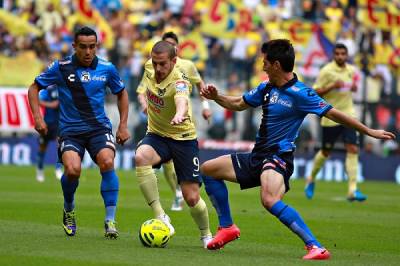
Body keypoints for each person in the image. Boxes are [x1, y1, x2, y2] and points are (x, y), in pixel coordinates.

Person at [200, 39, 395, 259]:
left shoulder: (301, 93)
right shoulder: (266, 87)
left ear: (276, 65)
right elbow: (238, 104)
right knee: (208, 170)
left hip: (278, 157)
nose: (262, 66)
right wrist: (216, 97)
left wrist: (368, 130)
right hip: (259, 155)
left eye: (265, 62)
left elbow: (333, 113)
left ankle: (315, 247)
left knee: (269, 199)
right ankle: (227, 227)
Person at [28, 26, 130, 239]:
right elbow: (34, 88)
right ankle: (69, 208)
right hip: (70, 131)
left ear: (97, 46)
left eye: (92, 47)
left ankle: (110, 220)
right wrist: (38, 118)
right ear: (74, 46)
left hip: (98, 129)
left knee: (107, 162)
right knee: (73, 170)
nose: (87, 52)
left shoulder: (107, 68)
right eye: (82, 47)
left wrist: (122, 125)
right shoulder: (60, 67)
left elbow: (121, 93)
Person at [135, 40, 213, 248]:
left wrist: (179, 114)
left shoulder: (180, 79)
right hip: (158, 134)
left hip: (183, 138)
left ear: (174, 61)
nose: (158, 68)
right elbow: (142, 90)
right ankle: (161, 216)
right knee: (141, 156)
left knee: (191, 197)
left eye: (163, 64)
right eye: (155, 62)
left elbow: (182, 100)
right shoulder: (149, 67)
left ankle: (206, 235)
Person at [304, 43, 367, 201]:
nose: (340, 56)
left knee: (352, 148)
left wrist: (353, 88)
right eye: (337, 54)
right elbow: (314, 91)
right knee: (326, 151)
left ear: (346, 55)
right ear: (334, 55)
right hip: (331, 116)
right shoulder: (326, 71)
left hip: (348, 115)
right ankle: (311, 179)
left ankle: (353, 190)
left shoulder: (351, 70)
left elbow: (353, 88)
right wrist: (332, 86)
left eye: (343, 54)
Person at [35, 85, 63, 182]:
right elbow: (39, 100)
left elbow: (58, 104)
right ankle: (40, 170)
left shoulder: (63, 86)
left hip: (59, 123)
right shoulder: (48, 89)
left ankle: (58, 169)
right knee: (42, 147)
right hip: (47, 123)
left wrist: (52, 104)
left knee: (59, 146)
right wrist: (50, 103)